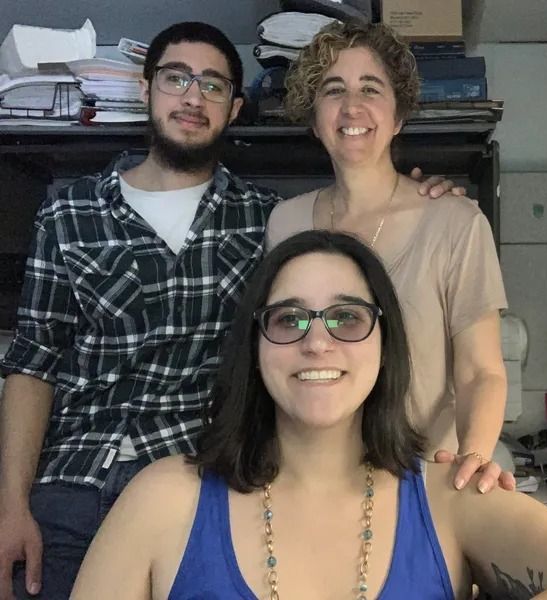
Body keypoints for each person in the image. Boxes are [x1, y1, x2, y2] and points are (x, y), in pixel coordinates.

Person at [0, 21, 463, 600]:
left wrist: (422, 194)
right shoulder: (69, 212)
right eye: (177, 78)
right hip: (72, 485)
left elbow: (356, 235)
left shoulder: (269, 221)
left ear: (236, 107)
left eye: (214, 85)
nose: (193, 97)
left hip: (203, 488)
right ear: (146, 91)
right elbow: (33, 362)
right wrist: (10, 505)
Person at [71, 230, 547, 600]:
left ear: (383, 343)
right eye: (288, 319)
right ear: (253, 350)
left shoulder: (449, 494)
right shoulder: (163, 497)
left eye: (347, 317)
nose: (317, 342)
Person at [267, 21, 512, 494]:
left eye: (370, 89)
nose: (351, 106)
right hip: (306, 483)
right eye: (333, 90)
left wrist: (473, 458)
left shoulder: (456, 223)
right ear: (315, 120)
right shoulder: (285, 224)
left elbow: (480, 370)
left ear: (398, 116)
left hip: (415, 480)